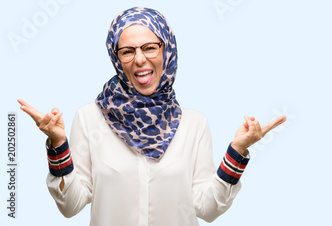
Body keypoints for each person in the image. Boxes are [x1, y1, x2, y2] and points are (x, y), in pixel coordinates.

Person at [18, 7, 286, 226]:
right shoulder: (90, 119)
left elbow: (207, 209)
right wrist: (57, 145)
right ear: (116, 58)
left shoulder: (194, 125)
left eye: (149, 47)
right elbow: (71, 205)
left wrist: (237, 151)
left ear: (166, 51)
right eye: (127, 51)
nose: (139, 59)